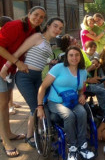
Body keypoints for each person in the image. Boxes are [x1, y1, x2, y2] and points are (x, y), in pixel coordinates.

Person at [0, 17, 64, 148]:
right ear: (48, 25)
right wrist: (5, 68)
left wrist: (50, 62)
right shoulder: (37, 37)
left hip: (37, 77)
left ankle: (35, 133)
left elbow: (36, 57)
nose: (58, 30)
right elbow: (19, 52)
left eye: (60, 28)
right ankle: (30, 136)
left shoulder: (47, 42)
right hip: (25, 77)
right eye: (55, 26)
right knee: (35, 106)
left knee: (39, 104)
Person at [0, 6, 46, 158]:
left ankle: (8, 133)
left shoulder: (33, 32)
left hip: (10, 70)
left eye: (41, 17)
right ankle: (6, 141)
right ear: (28, 14)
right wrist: (16, 62)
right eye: (36, 15)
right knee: (1, 105)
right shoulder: (15, 26)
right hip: (2, 66)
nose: (38, 18)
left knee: (6, 103)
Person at [37, 46, 95, 160]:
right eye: (71, 55)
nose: (74, 58)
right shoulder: (58, 68)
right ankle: (72, 147)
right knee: (69, 115)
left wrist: (82, 95)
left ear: (81, 57)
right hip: (55, 101)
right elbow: (43, 87)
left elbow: (80, 90)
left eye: (77, 55)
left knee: (83, 112)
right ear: (67, 57)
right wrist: (39, 107)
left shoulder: (82, 71)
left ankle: (82, 146)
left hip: (72, 100)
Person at [0, 16, 21, 115]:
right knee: (3, 93)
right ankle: (9, 106)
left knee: (10, 88)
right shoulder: (3, 37)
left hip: (11, 68)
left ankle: (11, 104)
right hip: (2, 68)